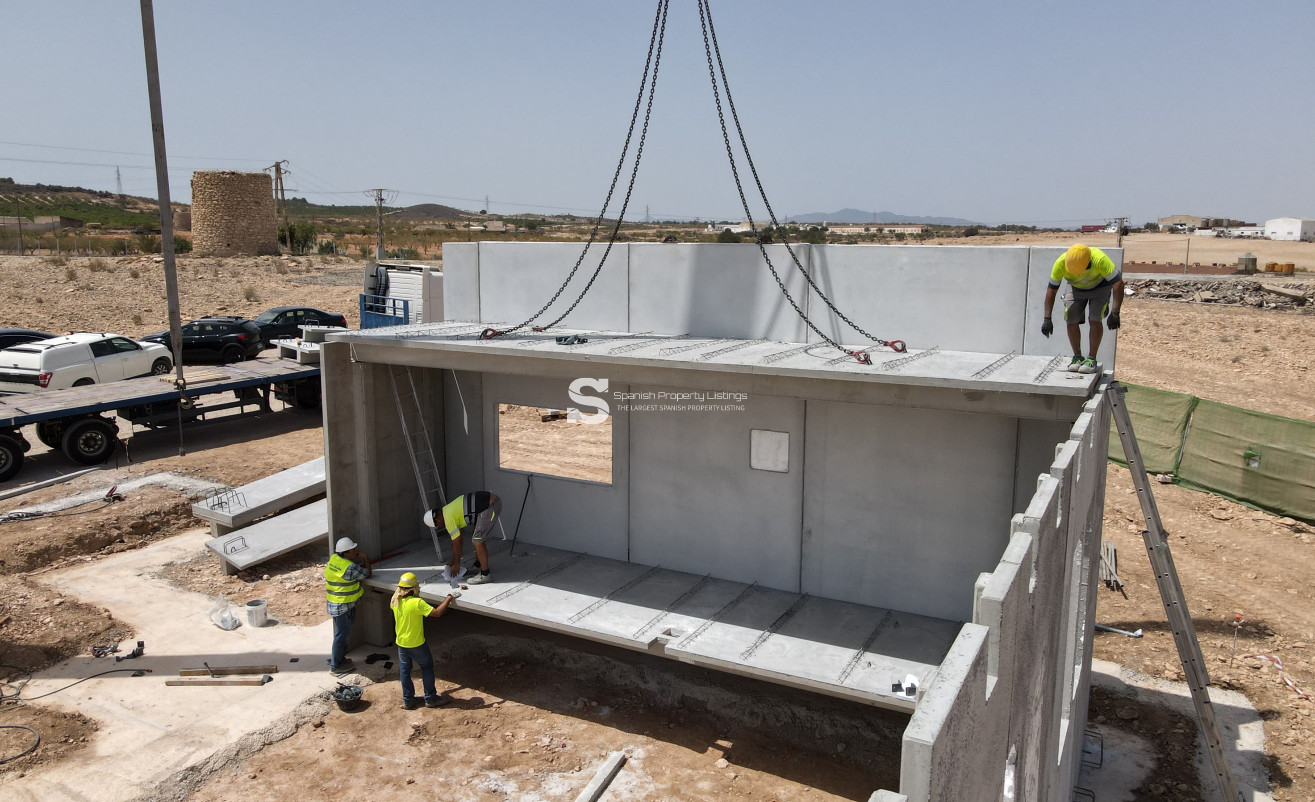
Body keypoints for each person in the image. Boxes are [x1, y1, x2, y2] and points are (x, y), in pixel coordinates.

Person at [1041, 243, 1124, 374]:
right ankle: (1077, 357)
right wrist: (1047, 318)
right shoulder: (1060, 263)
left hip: (1100, 287)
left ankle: (1091, 359)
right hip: (1075, 288)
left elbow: (1118, 283)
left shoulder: (1100, 259)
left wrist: (1115, 312)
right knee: (1071, 318)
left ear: (1088, 263)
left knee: (1094, 318)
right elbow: (1051, 290)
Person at [390, 571, 458, 710]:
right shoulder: (417, 603)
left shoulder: (395, 601)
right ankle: (431, 698)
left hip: (401, 644)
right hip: (416, 643)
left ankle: (408, 700)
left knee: (405, 671)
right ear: (413, 588)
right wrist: (449, 598)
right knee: (426, 667)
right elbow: (437, 613)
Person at [424, 491, 503, 585]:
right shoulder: (447, 510)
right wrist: (455, 559)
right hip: (490, 503)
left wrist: (457, 564)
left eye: (437, 525)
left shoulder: (448, 519)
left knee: (477, 541)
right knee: (476, 535)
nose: (440, 526)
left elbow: (457, 543)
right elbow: (459, 539)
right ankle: (478, 565)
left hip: (491, 506)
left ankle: (485, 575)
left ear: (437, 520)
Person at [324, 536, 371, 675]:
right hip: (343, 606)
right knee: (341, 637)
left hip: (334, 604)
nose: (356, 551)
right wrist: (365, 558)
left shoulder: (334, 559)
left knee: (340, 635)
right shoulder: (350, 568)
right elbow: (367, 574)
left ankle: (339, 659)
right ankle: (336, 666)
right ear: (345, 554)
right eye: (353, 550)